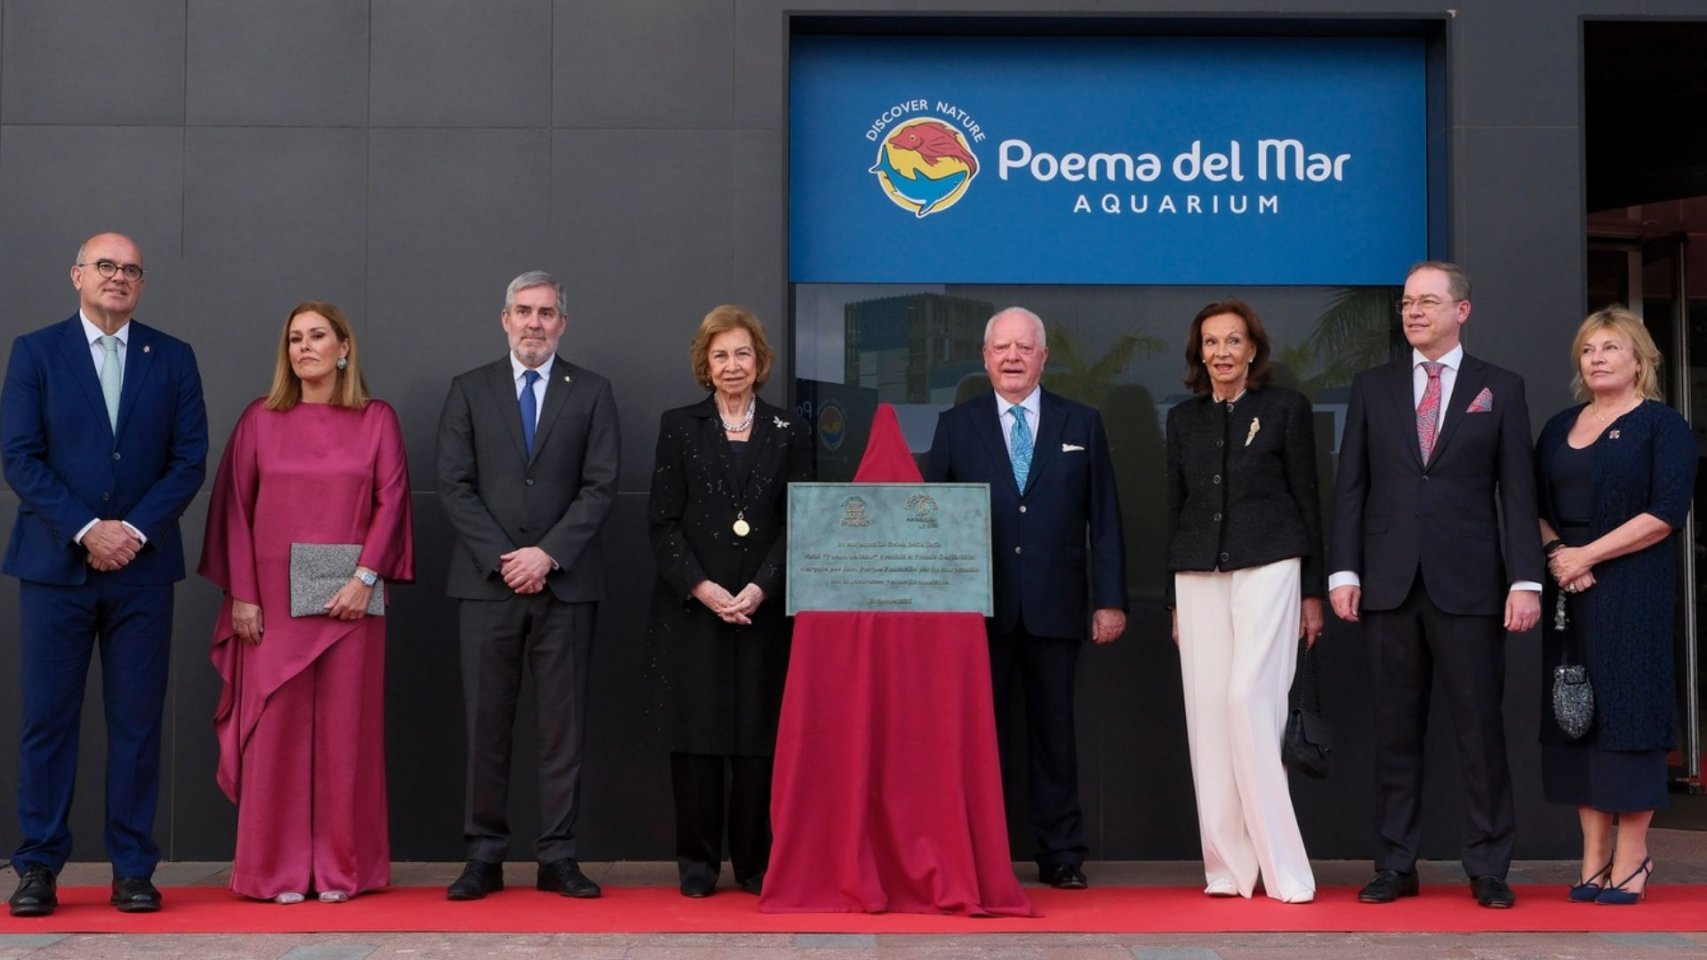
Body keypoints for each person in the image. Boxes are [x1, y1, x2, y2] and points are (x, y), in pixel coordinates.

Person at [2, 233, 208, 917]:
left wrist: (132, 532)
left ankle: (132, 868)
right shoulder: (36, 352)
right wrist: (90, 529)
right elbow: (20, 457)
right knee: (48, 722)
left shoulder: (172, 357)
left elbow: (188, 460)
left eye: (131, 270)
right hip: (55, 568)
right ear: (77, 275)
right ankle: (38, 867)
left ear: (141, 284)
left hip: (141, 572)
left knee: (138, 725)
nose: (118, 277)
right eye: (105, 266)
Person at [1329, 260, 1543, 909]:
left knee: (1480, 731)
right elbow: (1351, 487)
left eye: (1426, 301)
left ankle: (1488, 866)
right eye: (1406, 303)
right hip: (1388, 584)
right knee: (1394, 733)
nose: (1413, 312)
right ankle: (1395, 864)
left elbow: (1517, 492)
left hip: (1471, 586)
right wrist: (1343, 569)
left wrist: (1525, 579)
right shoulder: (1373, 387)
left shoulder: (1498, 388)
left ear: (1461, 310)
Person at [198, 301, 414, 904]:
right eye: (295, 339)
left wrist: (364, 579)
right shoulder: (259, 419)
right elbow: (233, 510)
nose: (305, 348)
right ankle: (277, 871)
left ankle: (341, 870)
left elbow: (392, 501)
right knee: (277, 736)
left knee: (347, 735)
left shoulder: (377, 419)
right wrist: (242, 595)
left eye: (318, 336)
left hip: (353, 598)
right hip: (269, 603)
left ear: (344, 348)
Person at [924, 305, 1127, 889]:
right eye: (1002, 347)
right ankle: (972, 851)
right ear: (985, 358)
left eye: (1024, 347)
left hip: (1055, 607)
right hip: (976, 612)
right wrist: (935, 607)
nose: (1012, 357)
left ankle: (1061, 854)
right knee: (975, 738)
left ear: (1043, 357)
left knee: (1054, 737)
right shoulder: (955, 425)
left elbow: (1105, 519)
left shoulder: (1081, 423)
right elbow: (929, 519)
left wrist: (1110, 600)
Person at [437, 271, 619, 901]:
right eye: (523, 311)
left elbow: (600, 487)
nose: (534, 323)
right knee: (485, 728)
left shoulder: (592, 392)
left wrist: (547, 555)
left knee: (563, 733)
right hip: (486, 587)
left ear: (562, 323)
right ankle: (483, 857)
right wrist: (506, 559)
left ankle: (558, 857)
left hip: (565, 587)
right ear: (505, 319)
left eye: (545, 312)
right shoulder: (469, 389)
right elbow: (453, 485)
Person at [648, 305, 812, 898]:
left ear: (760, 361)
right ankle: (697, 865)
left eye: (742, 353)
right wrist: (702, 587)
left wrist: (762, 587)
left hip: (762, 610)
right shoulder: (678, 425)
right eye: (720, 355)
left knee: (757, 742)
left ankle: (754, 865)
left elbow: (801, 519)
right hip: (695, 609)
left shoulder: (789, 429)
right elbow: (663, 521)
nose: (732, 364)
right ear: (706, 364)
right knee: (696, 741)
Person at [1533, 305, 1693, 906]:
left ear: (1640, 360)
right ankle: (1593, 857)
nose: (1596, 359)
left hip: (1633, 588)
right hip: (1568, 589)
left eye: (1610, 348)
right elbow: (1532, 503)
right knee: (1577, 714)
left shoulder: (1662, 425)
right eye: (1588, 350)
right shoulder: (1558, 427)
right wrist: (1559, 555)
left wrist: (1588, 556)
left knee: (1630, 714)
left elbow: (1665, 512)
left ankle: (1633, 858)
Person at [1165, 299, 1323, 904]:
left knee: (1248, 704)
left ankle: (1285, 869)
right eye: (1211, 342)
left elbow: (1308, 500)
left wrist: (1313, 591)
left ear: (1253, 349)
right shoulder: (1184, 419)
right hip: (1197, 572)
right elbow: (1174, 505)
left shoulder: (1286, 408)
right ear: (1198, 352)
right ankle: (1229, 869)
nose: (1222, 352)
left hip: (1272, 564)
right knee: (1209, 718)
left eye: (1233, 341)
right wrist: (1172, 600)